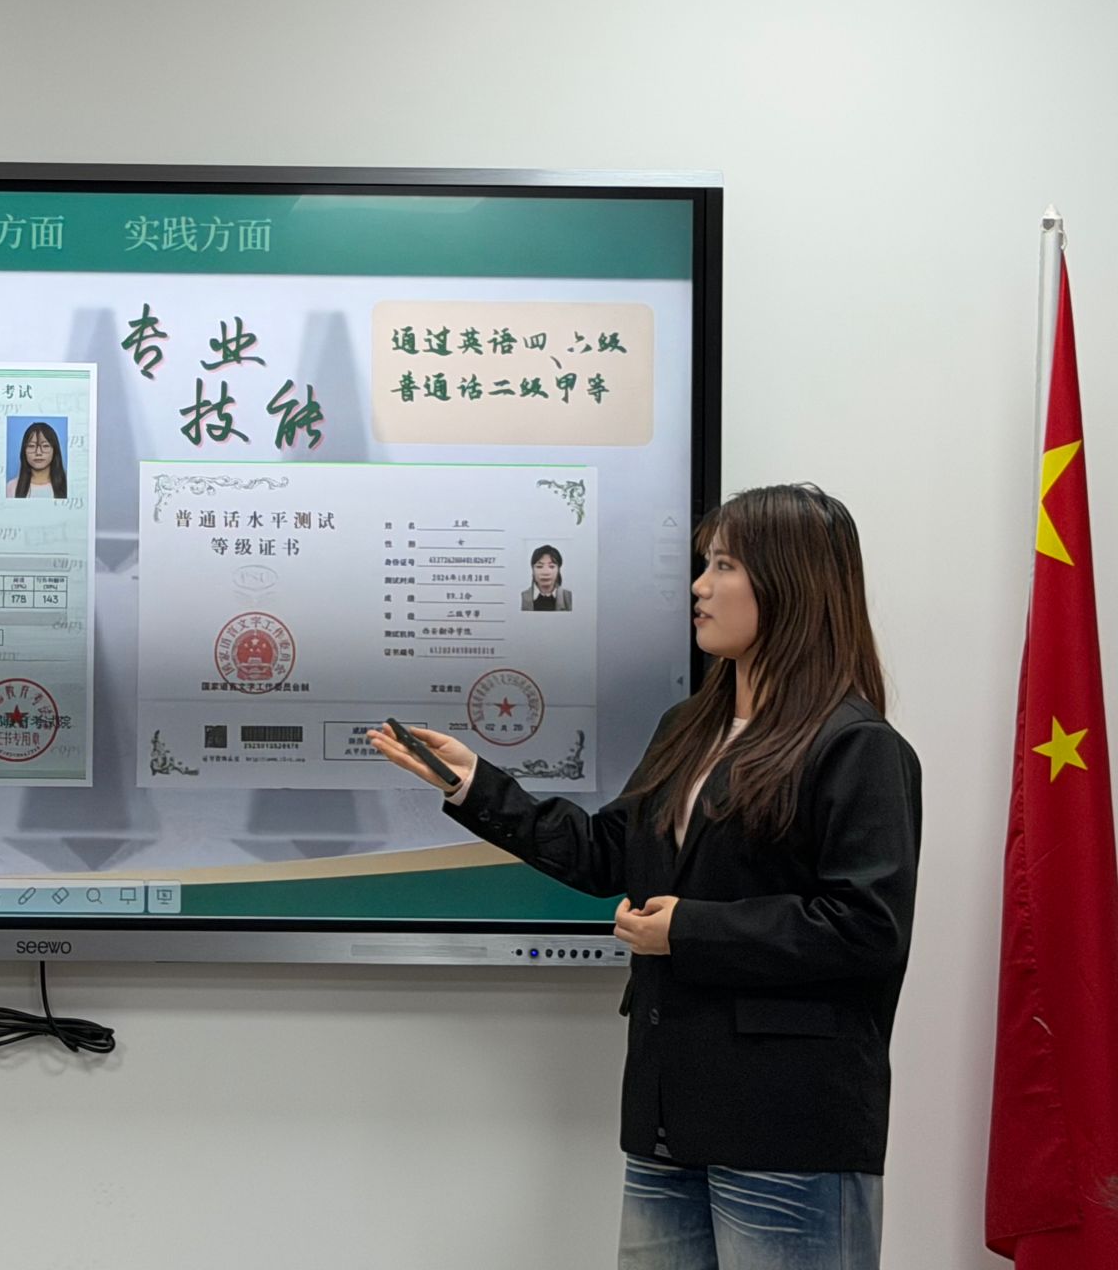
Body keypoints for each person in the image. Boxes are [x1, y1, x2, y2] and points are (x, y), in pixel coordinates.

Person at [371, 484, 921, 1270]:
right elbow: (607, 854)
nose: (699, 586)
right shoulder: (688, 728)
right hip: (669, 1124)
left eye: (724, 565)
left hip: (790, 1131)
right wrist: (473, 783)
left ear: (790, 583)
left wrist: (686, 930)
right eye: (704, 564)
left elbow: (867, 928)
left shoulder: (857, 746)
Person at [7, 421, 67, 499]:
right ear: (24, 451)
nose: (38, 452)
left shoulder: (68, 485)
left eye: (45, 446)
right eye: (31, 446)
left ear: (55, 450)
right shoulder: (12, 487)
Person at [522, 544, 573, 611]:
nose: (545, 572)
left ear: (558, 569)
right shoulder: (522, 597)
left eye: (551, 566)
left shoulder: (569, 597)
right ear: (532, 570)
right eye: (539, 566)